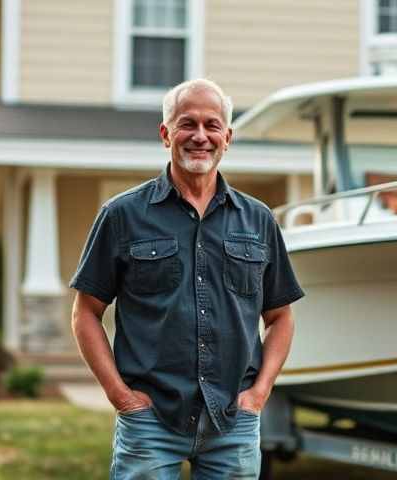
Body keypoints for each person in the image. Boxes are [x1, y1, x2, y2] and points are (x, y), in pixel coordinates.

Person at [69, 78, 304, 479]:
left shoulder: (258, 219)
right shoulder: (122, 215)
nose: (200, 136)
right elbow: (85, 313)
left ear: (227, 137)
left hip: (233, 421)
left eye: (212, 125)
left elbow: (280, 317)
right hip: (149, 421)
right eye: (187, 124)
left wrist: (259, 393)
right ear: (166, 134)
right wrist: (120, 396)